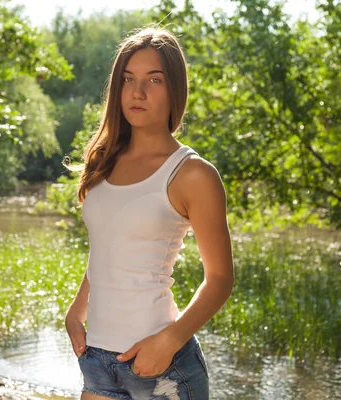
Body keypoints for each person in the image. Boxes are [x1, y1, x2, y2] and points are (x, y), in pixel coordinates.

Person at [64, 25, 234, 400]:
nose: (137, 92)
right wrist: (76, 313)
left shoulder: (193, 174)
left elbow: (220, 278)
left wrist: (170, 339)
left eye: (153, 80)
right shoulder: (104, 160)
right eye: (128, 79)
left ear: (175, 88)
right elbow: (107, 250)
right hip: (96, 360)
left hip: (163, 366)